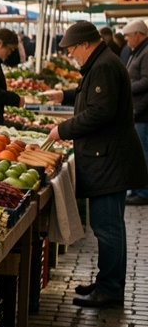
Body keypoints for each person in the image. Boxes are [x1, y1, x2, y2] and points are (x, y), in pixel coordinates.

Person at [47, 21, 148, 309]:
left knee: (107, 227)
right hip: (109, 158)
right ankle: (108, 282)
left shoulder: (103, 65)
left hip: (109, 160)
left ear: (85, 44)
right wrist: (65, 96)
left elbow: (99, 112)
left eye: (72, 50)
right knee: (110, 226)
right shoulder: (103, 62)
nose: (72, 56)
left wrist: (62, 130)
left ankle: (110, 289)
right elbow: (93, 96)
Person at [123, 20, 148, 205]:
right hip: (138, 111)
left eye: (128, 36)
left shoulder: (146, 52)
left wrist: (125, 87)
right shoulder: (139, 50)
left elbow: (147, 81)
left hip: (143, 112)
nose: (126, 40)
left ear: (138, 34)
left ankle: (144, 192)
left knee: (144, 152)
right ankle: (138, 188)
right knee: (139, 152)